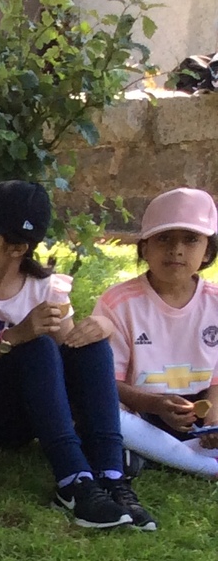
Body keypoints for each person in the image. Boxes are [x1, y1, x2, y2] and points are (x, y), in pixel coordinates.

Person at [0, 181, 147, 530]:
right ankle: (73, 480)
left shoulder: (46, 289)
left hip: (18, 419)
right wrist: (13, 336)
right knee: (37, 346)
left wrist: (103, 327)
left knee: (88, 345)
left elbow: (75, 362)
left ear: (17, 248)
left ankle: (111, 475)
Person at [95, 187, 218, 482]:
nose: (176, 249)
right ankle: (204, 466)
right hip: (141, 412)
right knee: (105, 414)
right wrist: (154, 405)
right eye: (164, 238)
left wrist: (213, 416)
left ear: (208, 251)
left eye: (191, 239)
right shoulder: (118, 303)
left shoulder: (215, 302)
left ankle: (153, 456)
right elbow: (106, 381)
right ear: (144, 248)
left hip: (202, 415)